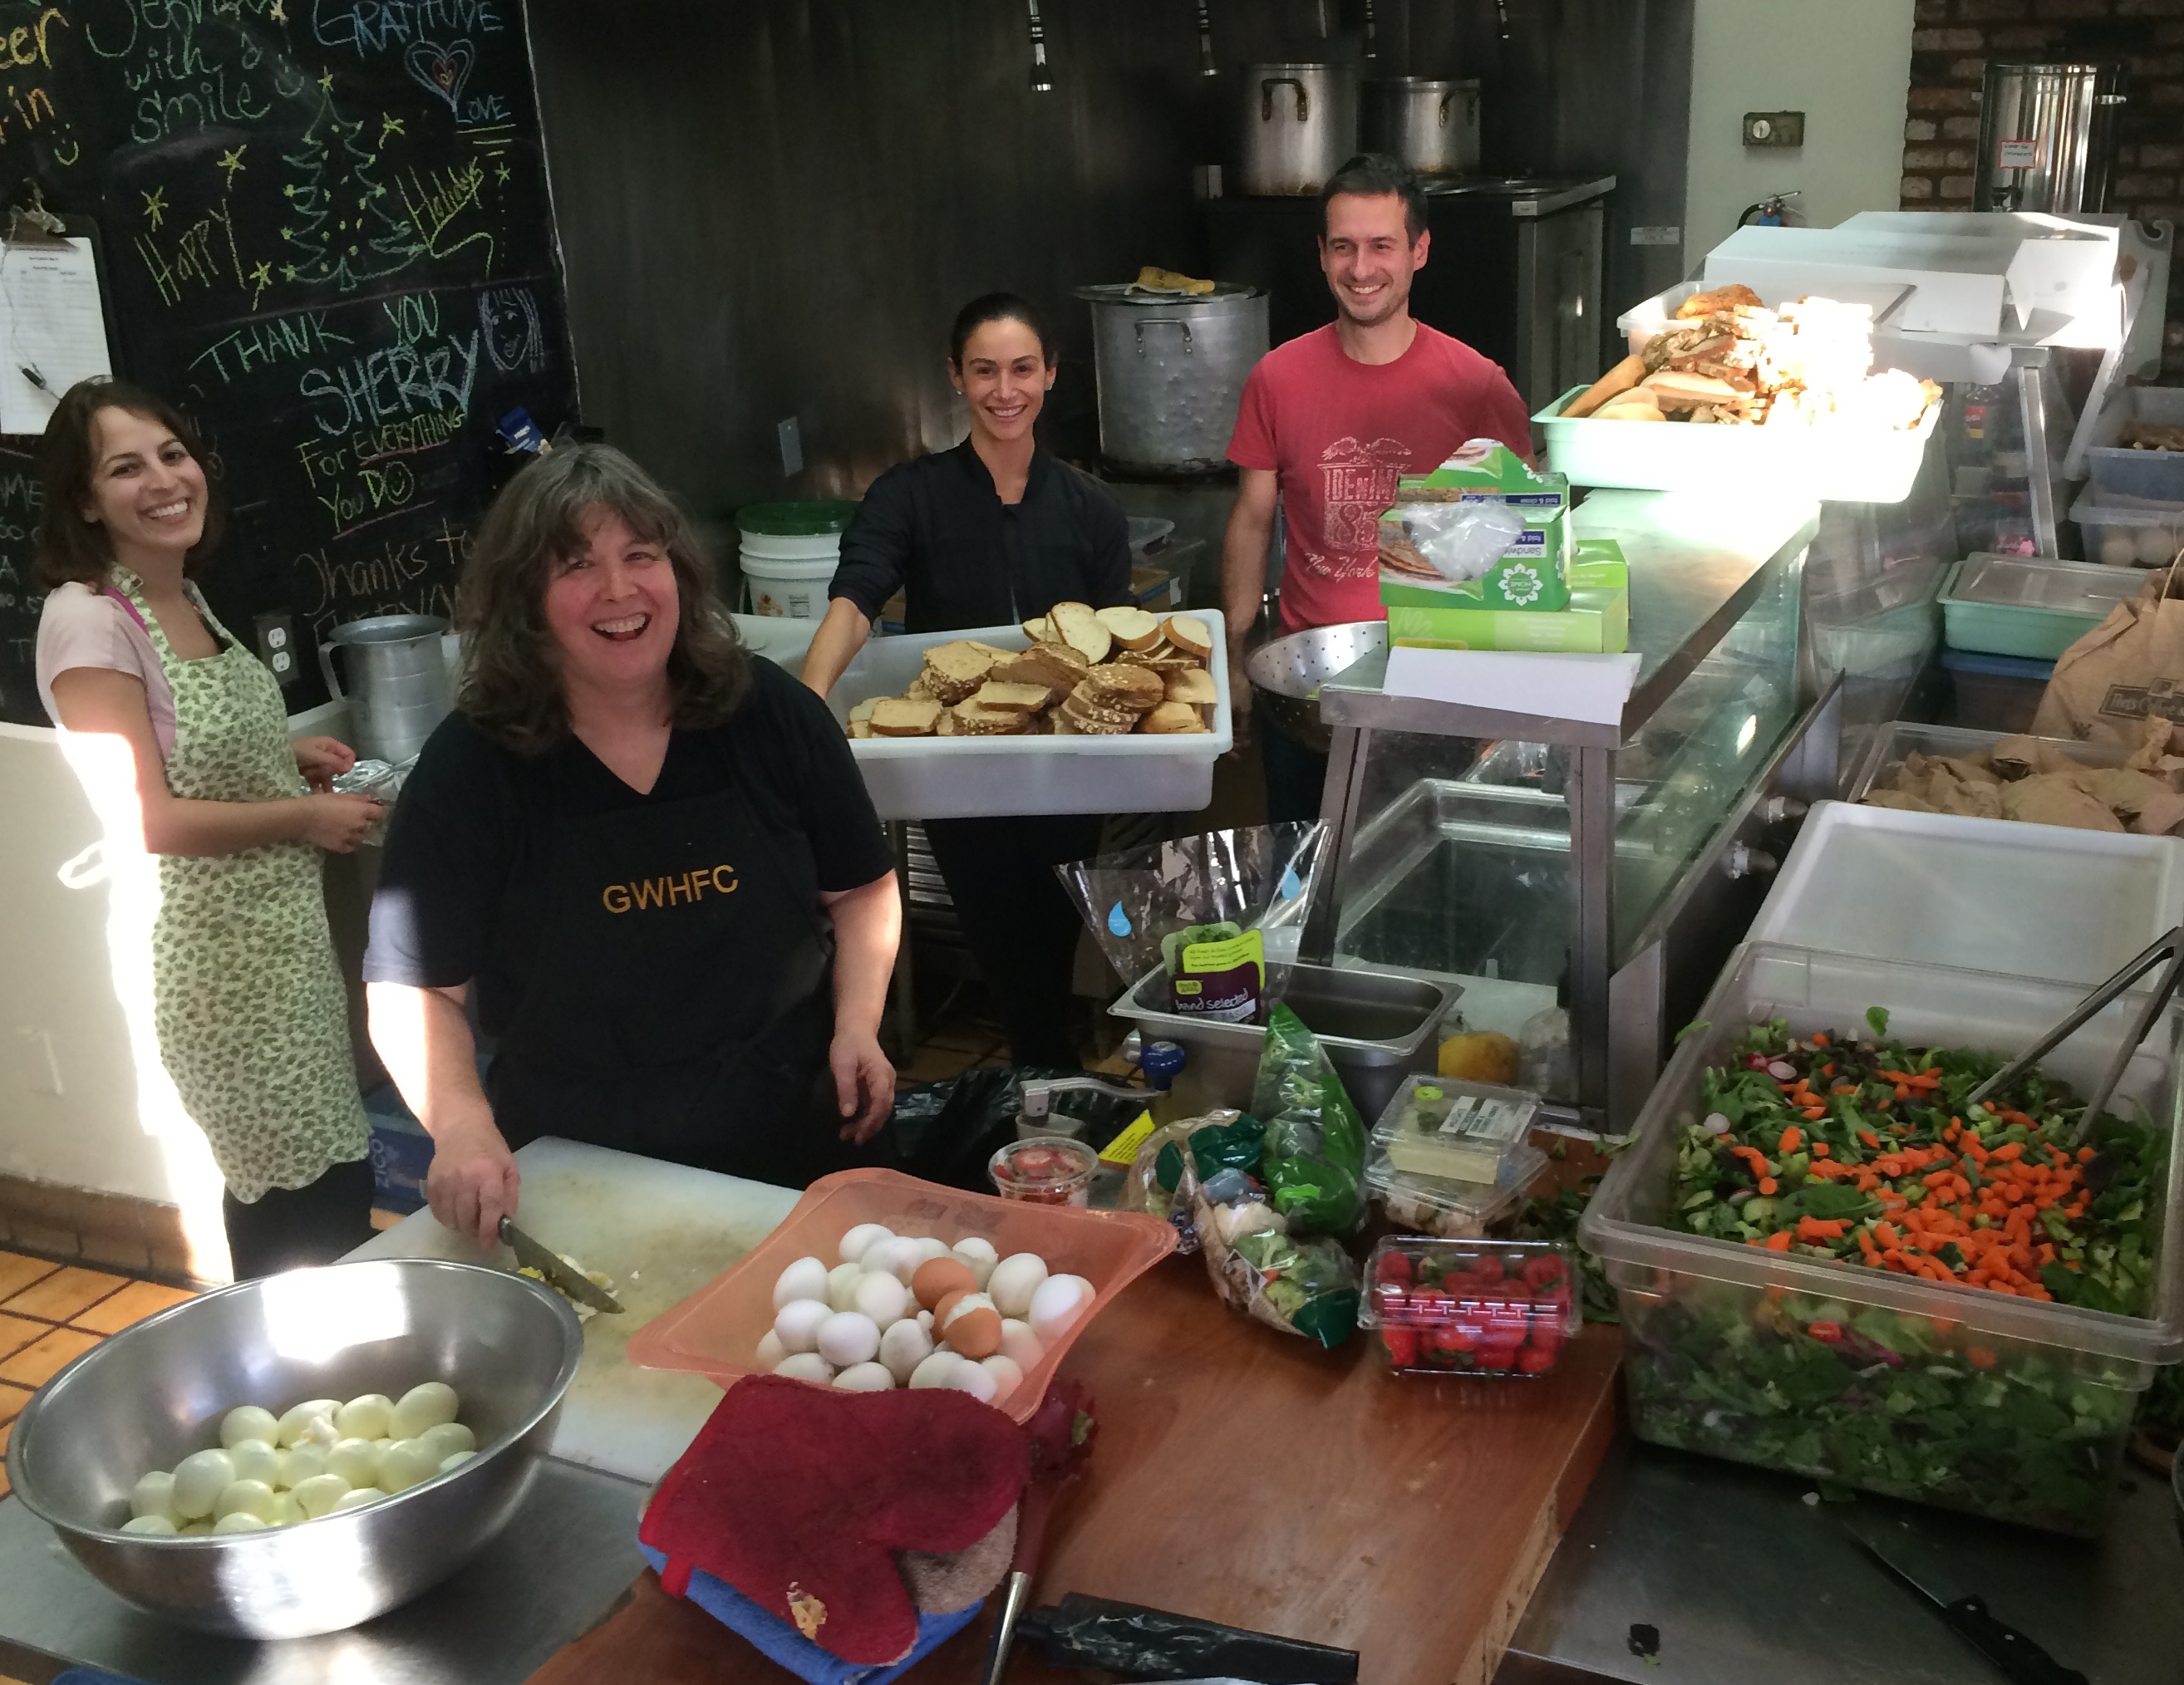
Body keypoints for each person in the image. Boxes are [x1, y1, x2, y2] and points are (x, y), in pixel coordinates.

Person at [362, 445, 900, 1244]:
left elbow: (861, 890)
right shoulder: (472, 769)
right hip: (585, 1171)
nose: (619, 591)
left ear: (678, 573)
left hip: (796, 1144)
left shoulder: (772, 717)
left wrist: (858, 1023)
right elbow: (414, 990)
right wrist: (462, 1125)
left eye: (641, 556)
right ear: (525, 602)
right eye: (576, 565)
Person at [34, 379, 381, 1280]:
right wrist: (306, 812)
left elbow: (188, 756)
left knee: (333, 1172)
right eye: (125, 467)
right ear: (84, 499)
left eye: (172, 454)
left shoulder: (183, 596)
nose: (162, 480)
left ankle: (351, 1387)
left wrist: (283, 760)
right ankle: (300, 1398)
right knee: (288, 1205)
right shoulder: (88, 621)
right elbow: (144, 815)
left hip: (282, 947)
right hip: (213, 967)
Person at [801, 292, 1129, 1069]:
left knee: (1054, 929)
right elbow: (857, 599)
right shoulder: (910, 496)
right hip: (960, 765)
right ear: (956, 377)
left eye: (1022, 369)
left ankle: (1044, 1087)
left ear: (1051, 375)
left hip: (1064, 760)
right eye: (985, 371)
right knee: (998, 930)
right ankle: (1046, 1084)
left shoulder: (1089, 508)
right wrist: (807, 706)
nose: (1004, 390)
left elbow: (1120, 645)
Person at [1222, 153, 1534, 822]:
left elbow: (1521, 543)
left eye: (1381, 246)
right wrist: (1233, 658)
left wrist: (1510, 692)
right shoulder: (1276, 379)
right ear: (1322, 254)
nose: (1361, 269)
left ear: (1419, 251)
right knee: (1303, 887)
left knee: (1420, 885)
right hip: (1310, 688)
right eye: (1344, 247)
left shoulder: (1477, 387)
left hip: (1441, 689)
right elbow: (1252, 519)